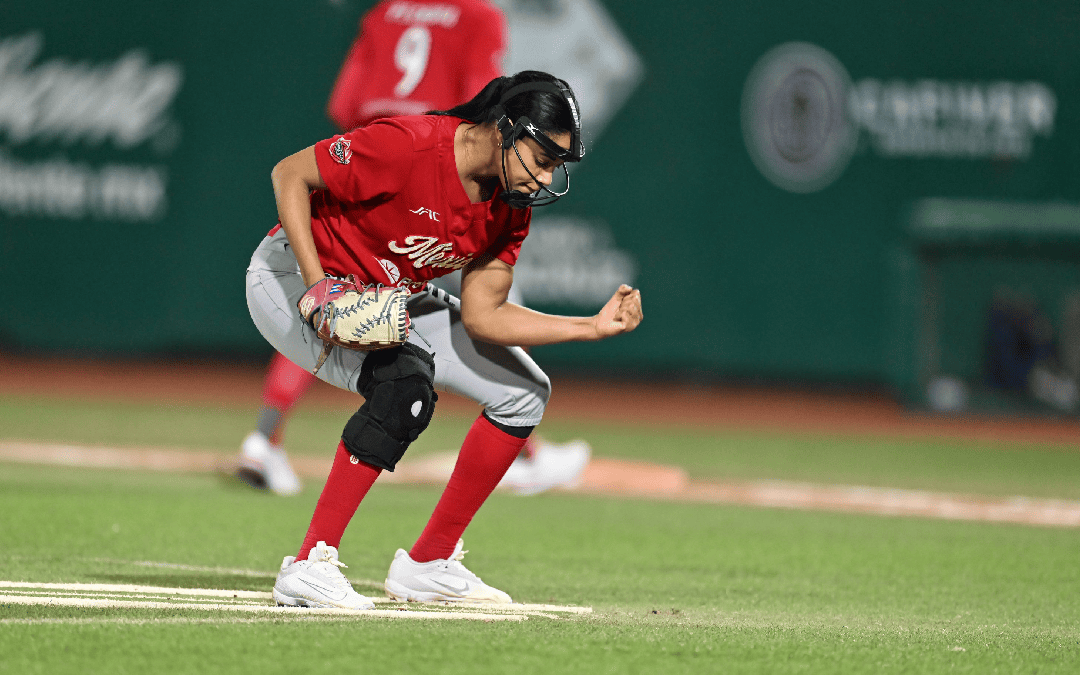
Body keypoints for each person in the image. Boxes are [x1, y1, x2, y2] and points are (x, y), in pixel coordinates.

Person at [246, 71, 642, 608]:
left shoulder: (510, 205)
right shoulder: (410, 146)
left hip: (385, 292)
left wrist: (589, 327)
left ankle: (428, 563)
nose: (547, 177)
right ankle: (310, 564)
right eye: (543, 157)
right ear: (505, 128)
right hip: (291, 278)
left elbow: (485, 316)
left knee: (522, 392)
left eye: (557, 165)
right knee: (403, 388)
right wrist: (318, 287)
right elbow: (290, 173)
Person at [237, 0, 592, 497]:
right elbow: (489, 105)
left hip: (378, 152)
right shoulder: (477, 14)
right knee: (485, 306)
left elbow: (344, 104)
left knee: (338, 298)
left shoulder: (386, 11)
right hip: (437, 168)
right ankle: (525, 447)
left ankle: (263, 435)